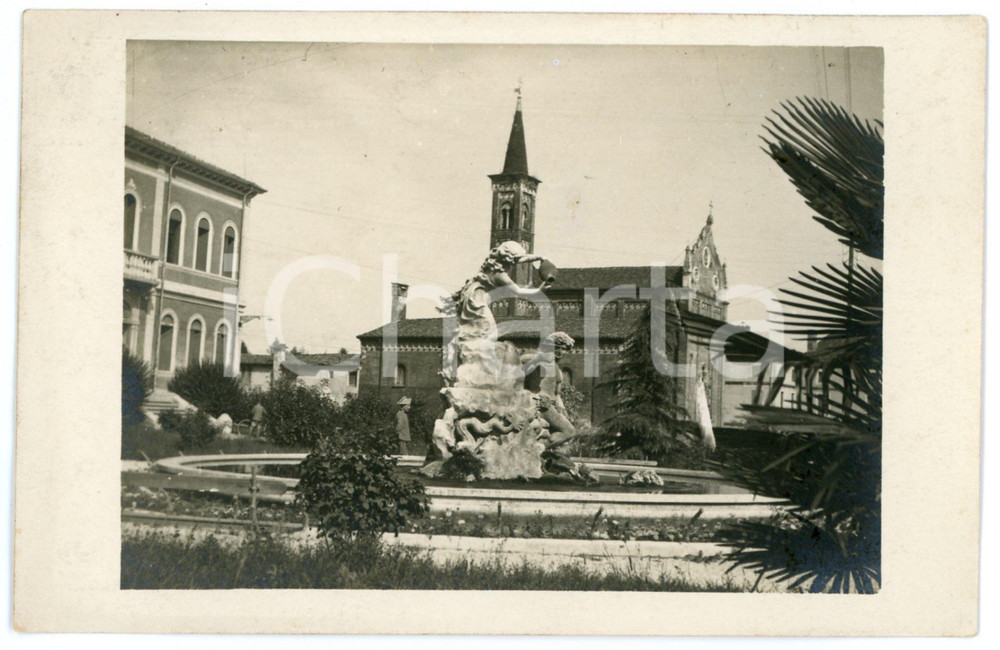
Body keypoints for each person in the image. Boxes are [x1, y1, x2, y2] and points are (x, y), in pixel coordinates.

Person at [442, 241, 554, 382]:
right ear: (508, 259)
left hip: (473, 295)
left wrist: (539, 257)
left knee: (480, 333)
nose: (516, 263)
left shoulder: (492, 263)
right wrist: (540, 290)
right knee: (490, 332)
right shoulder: (500, 276)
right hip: (477, 301)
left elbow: (520, 259)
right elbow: (519, 292)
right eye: (514, 260)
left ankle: (477, 362)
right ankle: (481, 366)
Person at [520, 332, 577, 447]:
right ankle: (538, 449)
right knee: (569, 431)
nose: (564, 353)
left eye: (565, 350)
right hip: (540, 404)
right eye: (562, 349)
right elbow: (521, 365)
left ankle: (539, 448)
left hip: (550, 405)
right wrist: (540, 357)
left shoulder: (557, 370)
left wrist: (562, 409)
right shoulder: (537, 359)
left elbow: (557, 394)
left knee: (567, 432)